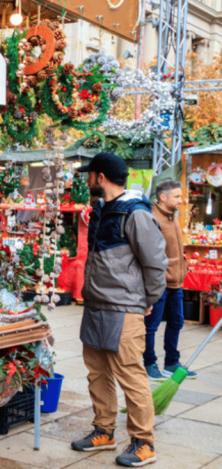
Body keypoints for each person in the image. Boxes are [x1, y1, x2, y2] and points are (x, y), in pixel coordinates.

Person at [70, 153, 167, 468]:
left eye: (89, 175)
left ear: (100, 177)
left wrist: (147, 300)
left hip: (124, 308)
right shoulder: (99, 210)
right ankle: (104, 431)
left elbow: (155, 263)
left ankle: (143, 443)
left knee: (130, 375)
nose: (86, 180)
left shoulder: (136, 214)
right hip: (96, 305)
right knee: (97, 371)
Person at [145, 180, 196, 381]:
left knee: (177, 321)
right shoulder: (152, 218)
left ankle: (171, 364)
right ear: (163, 197)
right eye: (176, 196)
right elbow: (148, 253)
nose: (181, 200)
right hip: (160, 282)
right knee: (151, 326)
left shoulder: (173, 217)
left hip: (176, 283)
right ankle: (149, 363)